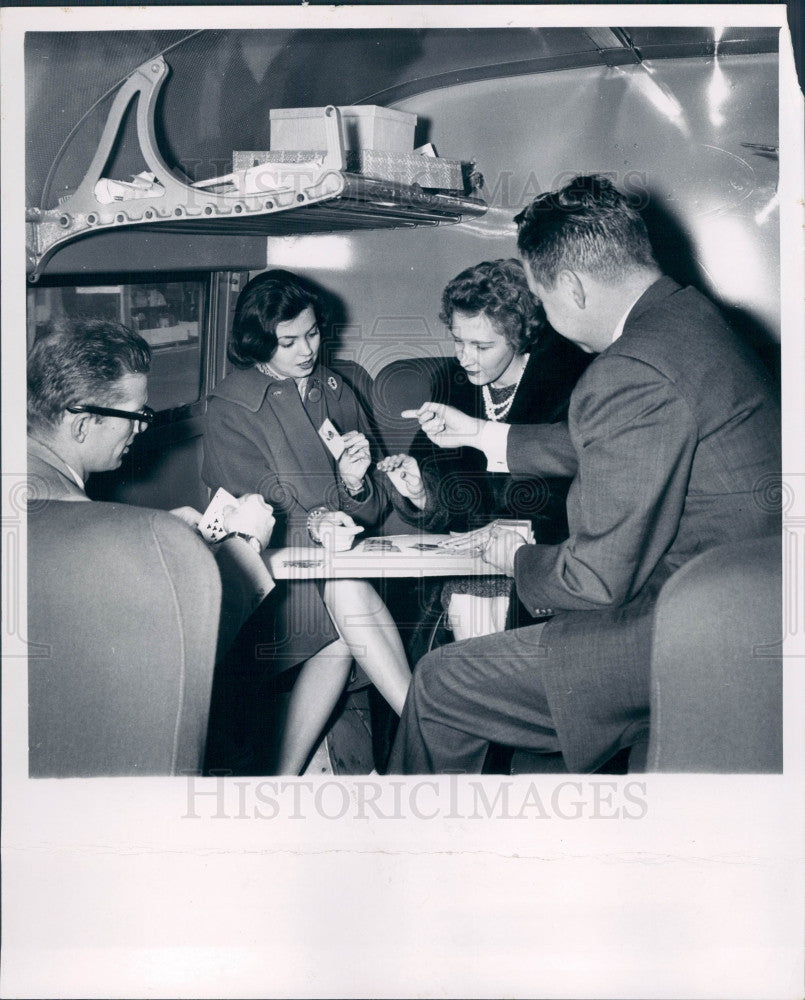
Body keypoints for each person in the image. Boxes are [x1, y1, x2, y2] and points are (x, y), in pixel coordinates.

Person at [389, 174, 781, 774]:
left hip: (686, 630)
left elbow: (594, 581)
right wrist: (482, 434)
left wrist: (514, 558)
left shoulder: (628, 369)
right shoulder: (691, 318)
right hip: (748, 605)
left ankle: (413, 862)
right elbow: (620, 444)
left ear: (571, 287)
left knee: (444, 682)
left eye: (542, 302)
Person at [202, 268, 411, 775]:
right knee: (340, 609)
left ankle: (282, 779)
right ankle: (427, 729)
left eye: (314, 333)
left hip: (332, 564)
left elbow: (372, 504)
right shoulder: (231, 407)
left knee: (341, 619)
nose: (307, 351)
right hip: (268, 580)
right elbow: (252, 515)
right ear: (256, 341)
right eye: (289, 340)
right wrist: (317, 519)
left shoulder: (335, 388)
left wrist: (357, 485)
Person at [26, 319, 278, 658]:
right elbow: (184, 657)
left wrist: (147, 536)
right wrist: (246, 546)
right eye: (134, 415)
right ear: (83, 424)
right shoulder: (75, 518)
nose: (142, 427)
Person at [377, 258, 590, 642]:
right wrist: (421, 493)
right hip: (463, 565)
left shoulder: (570, 381)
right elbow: (444, 501)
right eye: (458, 340)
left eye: (482, 345)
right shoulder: (451, 382)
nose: (464, 357)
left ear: (521, 335)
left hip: (543, 561)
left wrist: (520, 529)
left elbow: (590, 496)